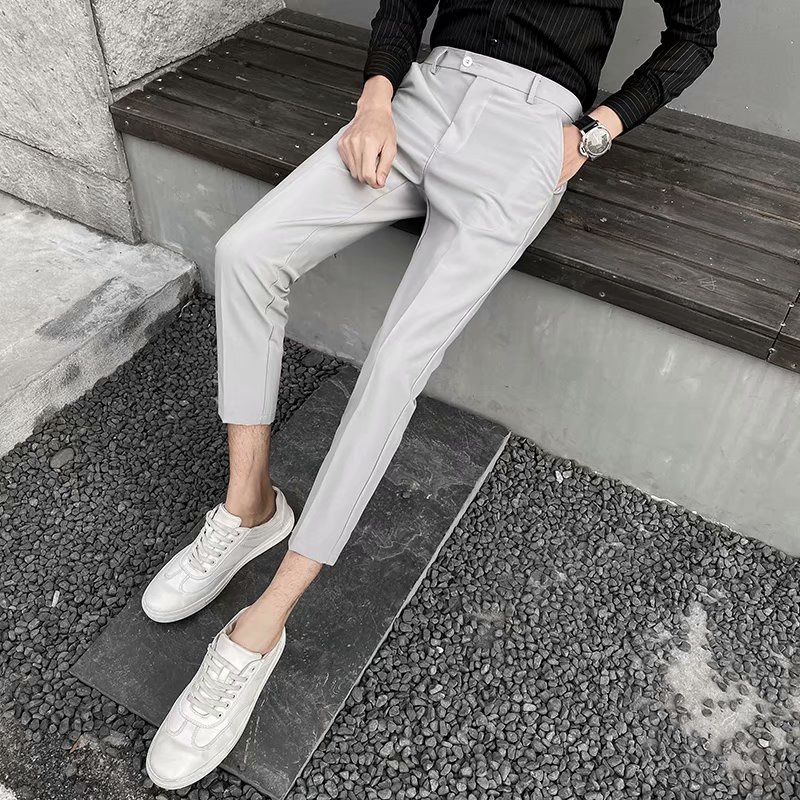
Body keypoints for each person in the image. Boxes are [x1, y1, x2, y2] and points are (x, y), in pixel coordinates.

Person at [143, 0, 721, 788]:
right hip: (423, 97)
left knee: (394, 365)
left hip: (533, 131)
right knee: (248, 252)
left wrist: (592, 134)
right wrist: (376, 97)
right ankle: (251, 508)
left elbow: (694, 37)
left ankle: (264, 622)